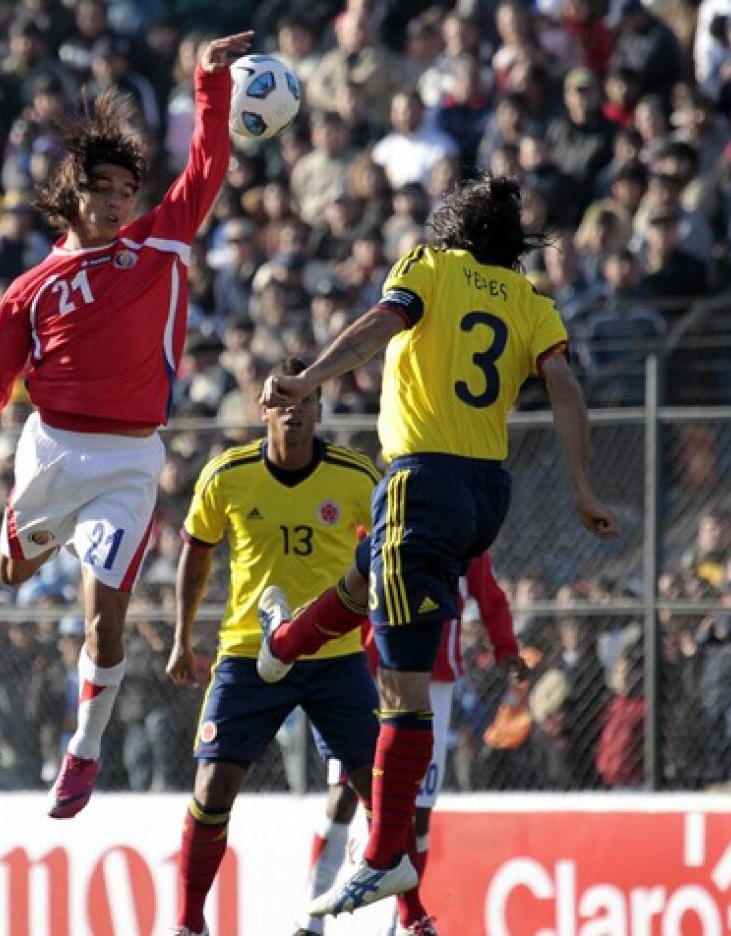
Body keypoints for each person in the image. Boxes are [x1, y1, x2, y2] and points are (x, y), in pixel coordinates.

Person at [0, 31, 255, 820]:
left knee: (104, 614)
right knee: (13, 576)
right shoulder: (31, 290)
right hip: (53, 449)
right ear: (73, 195)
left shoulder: (161, 240)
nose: (120, 200)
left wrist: (207, 84)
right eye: (105, 189)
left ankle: (84, 750)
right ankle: (37, 533)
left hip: (130, 460)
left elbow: (208, 167)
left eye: (128, 187)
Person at [257, 172, 620, 918]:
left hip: (420, 482)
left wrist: (309, 380)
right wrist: (584, 490)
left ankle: (385, 856)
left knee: (401, 689)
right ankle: (286, 641)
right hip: (487, 493)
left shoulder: (428, 266)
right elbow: (567, 390)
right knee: (364, 581)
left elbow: (376, 326)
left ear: (453, 226)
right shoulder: (532, 303)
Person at [166, 358, 391, 936]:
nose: (294, 408)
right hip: (247, 654)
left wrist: (386, 642)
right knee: (212, 787)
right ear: (262, 408)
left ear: (320, 408)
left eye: (307, 397)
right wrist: (181, 639)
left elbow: (389, 554)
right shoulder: (227, 475)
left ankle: (408, 919)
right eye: (281, 399)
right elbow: (197, 553)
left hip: (335, 657)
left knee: (386, 794)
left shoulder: (355, 476)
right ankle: (189, 922)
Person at [275, 549, 520, 936]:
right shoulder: (381, 522)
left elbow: (489, 594)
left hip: (433, 683)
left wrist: (505, 647)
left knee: (418, 811)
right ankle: (310, 919)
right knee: (343, 794)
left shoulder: (464, 527)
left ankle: (402, 925)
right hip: (370, 676)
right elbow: (346, 586)